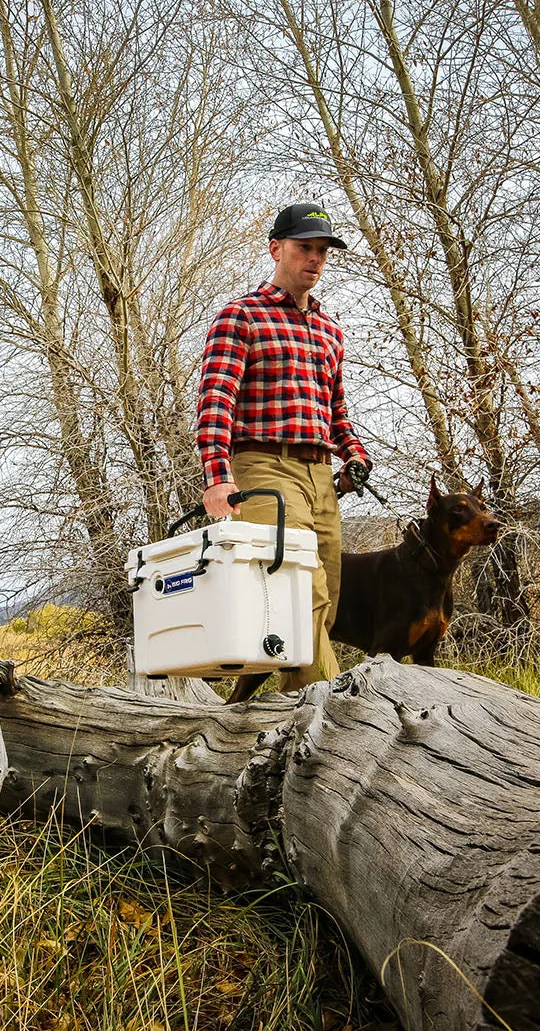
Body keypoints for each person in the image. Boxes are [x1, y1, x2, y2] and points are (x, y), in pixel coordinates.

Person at [194, 202, 370, 704]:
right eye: (304, 248)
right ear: (276, 249)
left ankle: (255, 713)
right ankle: (333, 719)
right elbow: (215, 401)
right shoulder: (240, 316)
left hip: (320, 475)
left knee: (325, 603)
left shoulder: (330, 331)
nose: (314, 259)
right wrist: (217, 477)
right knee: (301, 595)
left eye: (322, 251)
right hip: (262, 468)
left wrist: (353, 456)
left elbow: (335, 413)